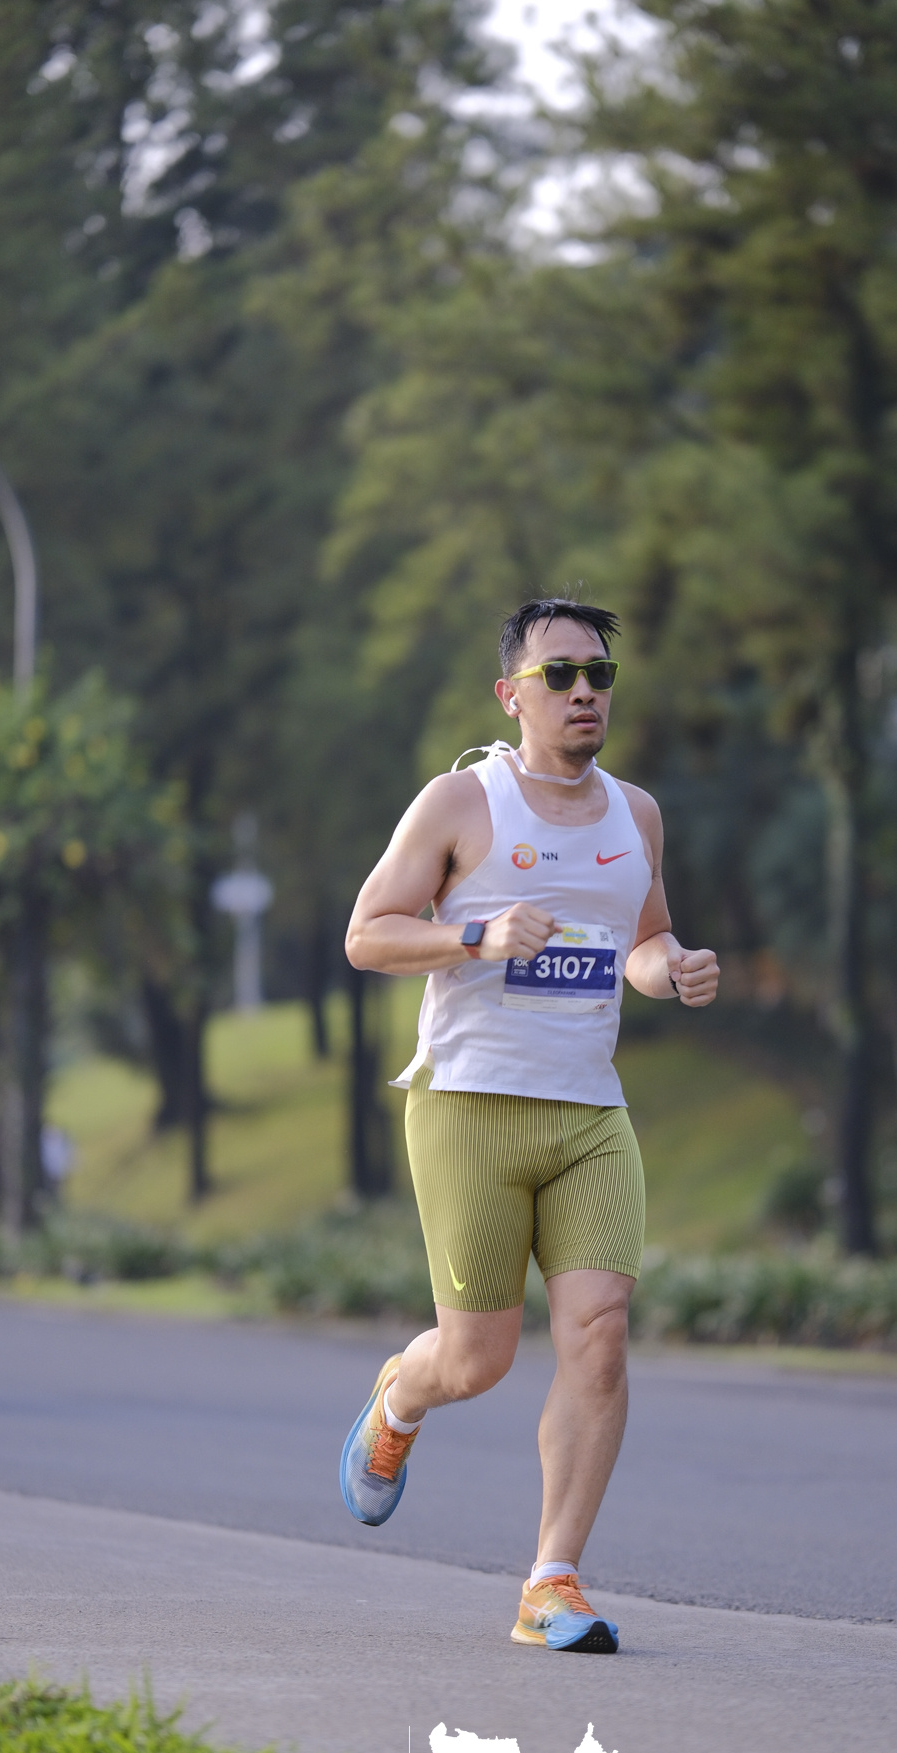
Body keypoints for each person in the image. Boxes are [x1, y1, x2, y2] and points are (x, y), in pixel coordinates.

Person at [341, 598, 719, 1652]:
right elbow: (367, 935)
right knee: (477, 1361)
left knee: (599, 1337)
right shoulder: (462, 802)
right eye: (560, 675)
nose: (584, 692)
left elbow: (641, 939)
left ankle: (551, 1580)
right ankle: (398, 1401)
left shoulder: (635, 815)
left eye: (599, 674)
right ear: (512, 695)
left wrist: (672, 968)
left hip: (589, 1113)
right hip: (469, 1103)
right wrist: (478, 935)